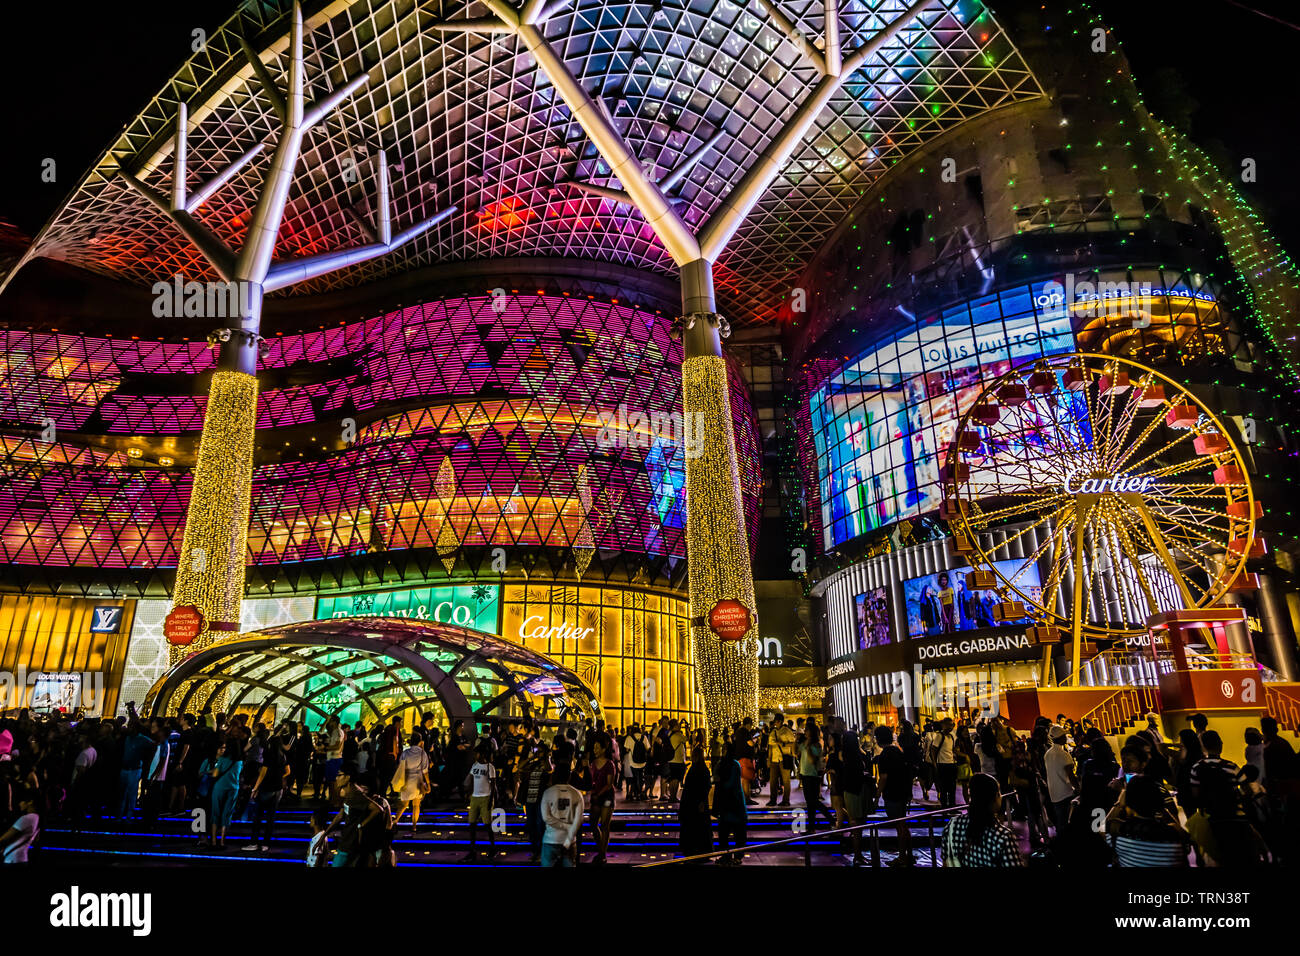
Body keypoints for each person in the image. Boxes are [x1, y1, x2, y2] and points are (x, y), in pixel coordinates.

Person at [941, 773, 1024, 867]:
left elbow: (946, 863)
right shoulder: (1003, 836)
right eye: (999, 793)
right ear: (994, 798)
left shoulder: (953, 825)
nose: (1001, 796)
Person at [1107, 774, 1189, 867]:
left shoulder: (1119, 836)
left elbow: (1101, 828)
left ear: (1127, 803)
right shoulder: (1175, 833)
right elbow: (1186, 843)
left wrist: (1118, 804)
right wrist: (1160, 806)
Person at [875, 725, 915, 866]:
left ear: (879, 739)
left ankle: (902, 858)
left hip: (892, 793)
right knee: (903, 825)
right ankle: (908, 855)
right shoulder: (898, 751)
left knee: (899, 826)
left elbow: (884, 777)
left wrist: (877, 795)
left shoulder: (884, 755)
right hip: (903, 791)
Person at [244, 724, 289, 852]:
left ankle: (254, 843)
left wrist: (255, 788)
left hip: (266, 789)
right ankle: (266, 844)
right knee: (271, 817)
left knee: (258, 817)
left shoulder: (269, 756)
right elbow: (288, 771)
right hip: (278, 788)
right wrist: (279, 776)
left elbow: (262, 773)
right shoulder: (282, 756)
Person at [539, 759, 584, 867]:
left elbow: (546, 817)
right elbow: (578, 820)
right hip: (569, 840)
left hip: (551, 838)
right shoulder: (577, 794)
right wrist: (568, 839)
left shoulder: (548, 792)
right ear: (569, 775)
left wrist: (563, 825)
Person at [713, 744, 748, 865]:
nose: (723, 751)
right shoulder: (730, 764)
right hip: (732, 802)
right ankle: (733, 856)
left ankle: (729, 855)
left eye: (724, 749)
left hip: (730, 802)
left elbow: (725, 782)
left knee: (727, 832)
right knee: (734, 832)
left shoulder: (728, 764)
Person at [390, 732, 431, 835]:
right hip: (418, 780)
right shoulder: (422, 753)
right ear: (420, 741)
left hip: (406, 779)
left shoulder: (405, 752)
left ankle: (395, 821)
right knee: (416, 805)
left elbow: (400, 765)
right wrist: (428, 783)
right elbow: (425, 771)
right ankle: (414, 826)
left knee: (404, 804)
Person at [463, 743, 497, 862]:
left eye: (477, 753)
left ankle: (493, 848)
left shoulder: (490, 767)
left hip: (485, 798)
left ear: (482, 754)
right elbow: (472, 779)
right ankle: (472, 851)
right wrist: (469, 793)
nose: (475, 755)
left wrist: (491, 800)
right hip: (475, 798)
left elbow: (493, 785)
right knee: (472, 825)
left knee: (488, 825)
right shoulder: (475, 765)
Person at [678, 745, 713, 861]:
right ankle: (702, 851)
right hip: (699, 803)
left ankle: (692, 850)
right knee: (701, 828)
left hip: (691, 803)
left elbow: (688, 788)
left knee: (692, 828)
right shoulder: (703, 769)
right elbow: (706, 786)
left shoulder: (694, 769)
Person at [839, 731, 868, 866]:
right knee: (858, 822)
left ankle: (857, 853)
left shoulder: (843, 755)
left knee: (855, 821)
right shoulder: (857, 755)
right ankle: (858, 853)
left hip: (849, 789)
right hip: (858, 789)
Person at [798, 721, 834, 829]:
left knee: (813, 801)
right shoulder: (805, 743)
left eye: (807, 730)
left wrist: (808, 747)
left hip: (812, 775)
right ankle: (812, 827)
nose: (805, 732)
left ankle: (830, 819)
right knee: (810, 802)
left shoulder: (816, 745)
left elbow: (812, 760)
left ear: (812, 732)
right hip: (804, 774)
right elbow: (797, 753)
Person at [1043, 725, 1077, 832]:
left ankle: (1061, 843)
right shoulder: (1064, 755)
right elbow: (1070, 775)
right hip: (1066, 792)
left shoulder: (1047, 754)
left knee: (1060, 822)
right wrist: (1078, 788)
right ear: (1060, 738)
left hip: (1053, 793)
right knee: (1068, 822)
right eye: (1064, 736)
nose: (1066, 738)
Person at [588, 738, 616, 864]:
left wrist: (598, 794)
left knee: (605, 825)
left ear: (604, 749)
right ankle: (601, 848)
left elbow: (609, 784)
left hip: (607, 797)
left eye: (597, 747)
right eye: (594, 747)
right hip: (596, 797)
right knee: (593, 824)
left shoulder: (610, 764)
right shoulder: (593, 763)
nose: (595, 750)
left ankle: (602, 853)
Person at [0, 790, 39, 865]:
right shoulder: (37, 817)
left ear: (30, 802)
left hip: (13, 859)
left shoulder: (27, 818)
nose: (19, 804)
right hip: (21, 858)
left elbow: (4, 838)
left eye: (22, 801)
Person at [767, 713, 796, 806]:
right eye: (775, 721)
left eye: (778, 721)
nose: (776, 723)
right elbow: (770, 747)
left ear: (781, 721)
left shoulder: (787, 731)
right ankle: (772, 799)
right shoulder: (773, 732)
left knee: (786, 781)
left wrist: (782, 744)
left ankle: (786, 800)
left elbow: (792, 744)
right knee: (773, 781)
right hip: (774, 759)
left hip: (784, 758)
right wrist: (769, 759)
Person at [929, 717, 958, 808]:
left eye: (952, 724)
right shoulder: (939, 736)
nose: (951, 726)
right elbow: (933, 750)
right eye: (948, 724)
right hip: (943, 765)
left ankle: (952, 806)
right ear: (943, 725)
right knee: (944, 788)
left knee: (952, 787)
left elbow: (951, 750)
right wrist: (934, 764)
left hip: (951, 764)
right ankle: (945, 807)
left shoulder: (951, 736)